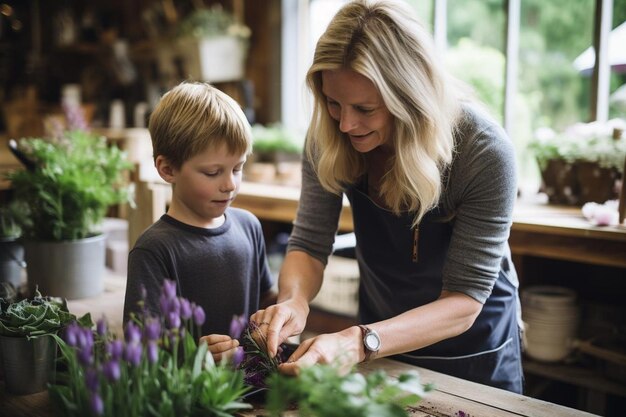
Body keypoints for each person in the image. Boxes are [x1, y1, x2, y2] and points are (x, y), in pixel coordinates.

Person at [252, 0, 523, 393]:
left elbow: (464, 301)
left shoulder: (484, 153)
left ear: (410, 98)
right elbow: (309, 244)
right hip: (379, 342)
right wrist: (294, 302)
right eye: (333, 102)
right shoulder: (330, 137)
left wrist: (357, 341)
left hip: (472, 352)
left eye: (365, 108)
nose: (346, 123)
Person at [123, 81, 275, 361]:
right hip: (195, 397)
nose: (230, 184)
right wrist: (192, 355)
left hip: (255, 389)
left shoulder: (249, 227)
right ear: (168, 169)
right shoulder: (154, 250)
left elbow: (268, 300)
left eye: (238, 168)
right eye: (213, 172)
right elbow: (141, 347)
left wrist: (282, 316)